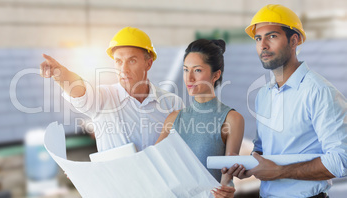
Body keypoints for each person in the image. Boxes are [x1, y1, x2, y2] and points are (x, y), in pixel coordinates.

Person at [222, 4, 347, 198]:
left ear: (294, 41)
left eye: (272, 36)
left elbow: (341, 160)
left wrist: (279, 172)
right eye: (258, 38)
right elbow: (263, 150)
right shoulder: (264, 95)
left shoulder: (320, 92)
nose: (263, 45)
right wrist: (249, 165)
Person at [40, 27, 183, 152]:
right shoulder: (102, 98)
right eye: (118, 61)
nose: (124, 69)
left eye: (132, 61)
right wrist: (60, 73)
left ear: (149, 63)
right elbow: (78, 90)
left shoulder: (172, 104)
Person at [156, 39, 245, 198]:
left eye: (197, 70)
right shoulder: (173, 119)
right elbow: (153, 166)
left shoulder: (232, 119)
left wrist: (227, 190)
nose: (189, 78)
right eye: (185, 69)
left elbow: (227, 176)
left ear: (216, 75)